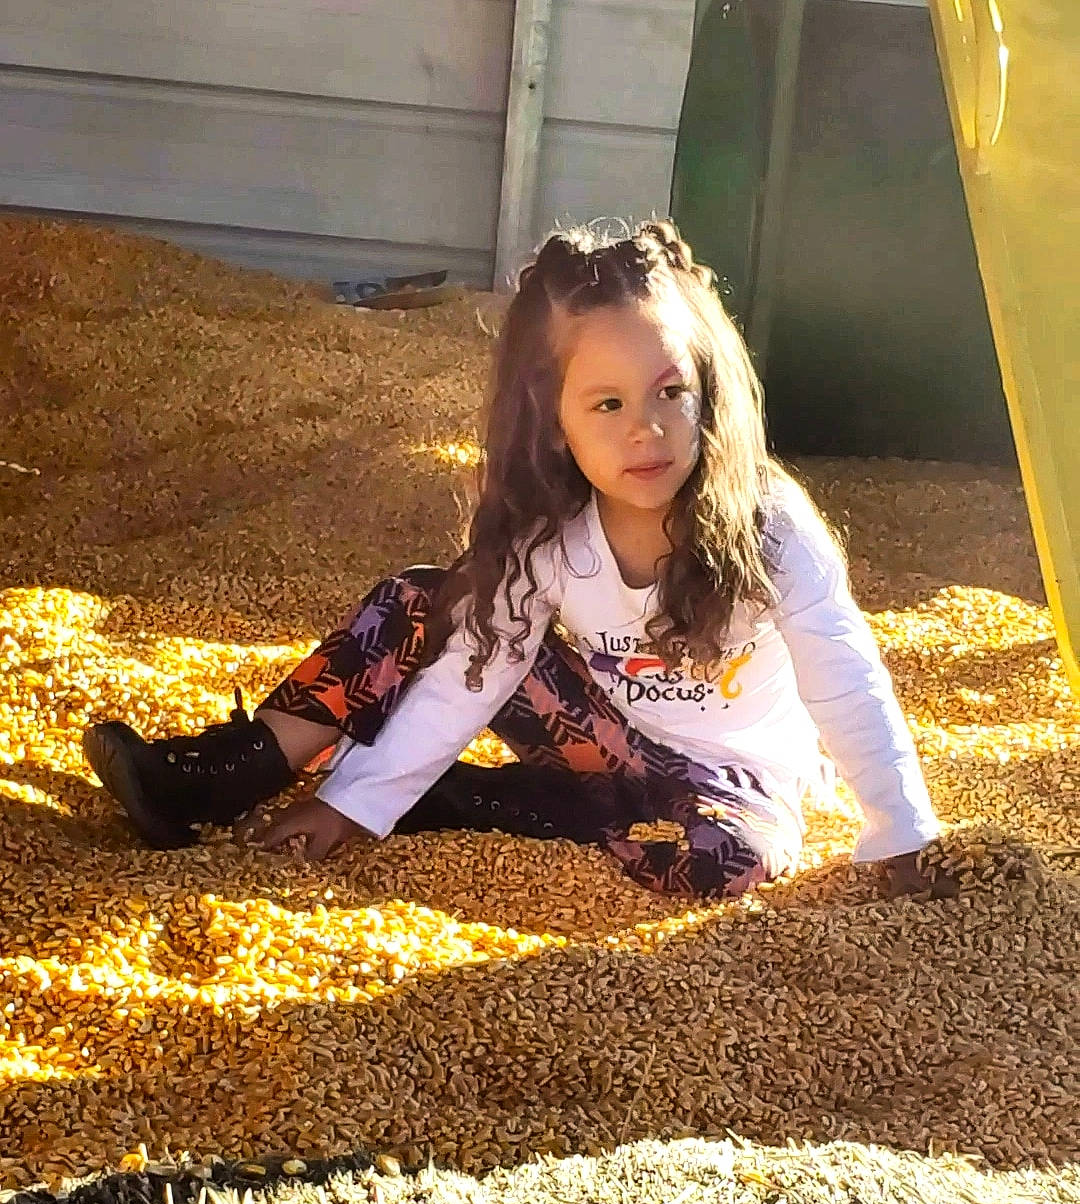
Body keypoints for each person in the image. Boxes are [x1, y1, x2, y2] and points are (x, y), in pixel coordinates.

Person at [84, 219, 946, 900]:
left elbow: (846, 675)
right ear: (553, 418)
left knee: (728, 863)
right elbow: (477, 673)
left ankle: (454, 802)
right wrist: (351, 802)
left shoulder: (766, 527)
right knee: (426, 601)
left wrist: (902, 832)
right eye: (606, 403)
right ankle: (220, 778)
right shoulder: (552, 537)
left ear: (708, 391)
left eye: (670, 392)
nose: (645, 429)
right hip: (599, 744)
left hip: (730, 780)